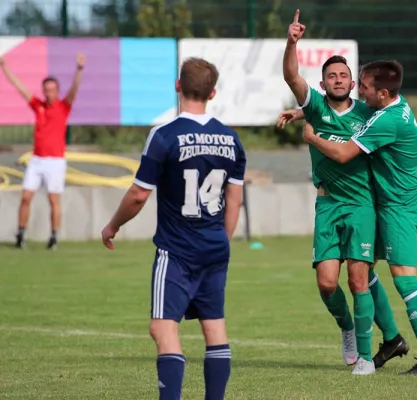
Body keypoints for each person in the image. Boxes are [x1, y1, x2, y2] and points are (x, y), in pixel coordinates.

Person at [101, 57, 245, 400]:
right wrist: (220, 243)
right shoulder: (230, 138)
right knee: (214, 328)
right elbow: (234, 200)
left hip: (177, 250)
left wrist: (112, 225)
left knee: (162, 328)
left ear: (178, 86)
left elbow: (138, 195)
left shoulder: (164, 135)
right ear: (213, 92)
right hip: (215, 247)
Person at [283, 9, 408, 375]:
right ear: (322, 85)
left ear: (353, 84)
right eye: (331, 76)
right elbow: (292, 75)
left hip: (360, 206)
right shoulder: (317, 108)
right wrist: (292, 43)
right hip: (327, 204)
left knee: (358, 280)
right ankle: (348, 329)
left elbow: (396, 117)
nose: (337, 80)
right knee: (325, 284)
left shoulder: (368, 115)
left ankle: (366, 359)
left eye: (343, 75)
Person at [302, 60, 417, 375]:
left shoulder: (387, 121)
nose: (359, 91)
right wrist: (303, 111)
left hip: (397, 207)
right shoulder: (394, 105)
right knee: (363, 273)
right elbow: (349, 116)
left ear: (382, 92)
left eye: (364, 87)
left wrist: (311, 137)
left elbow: (341, 153)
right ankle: (392, 339)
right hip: (382, 203)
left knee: (405, 279)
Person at [0, 54, 85, 250]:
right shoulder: (37, 105)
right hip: (37, 159)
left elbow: (74, 90)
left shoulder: (63, 107)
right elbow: (19, 87)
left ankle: (54, 236)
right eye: (46, 90)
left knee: (53, 199)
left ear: (57, 91)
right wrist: (4, 67)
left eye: (52, 90)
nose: (49, 94)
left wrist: (79, 70)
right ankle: (20, 233)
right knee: (26, 196)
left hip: (55, 161)